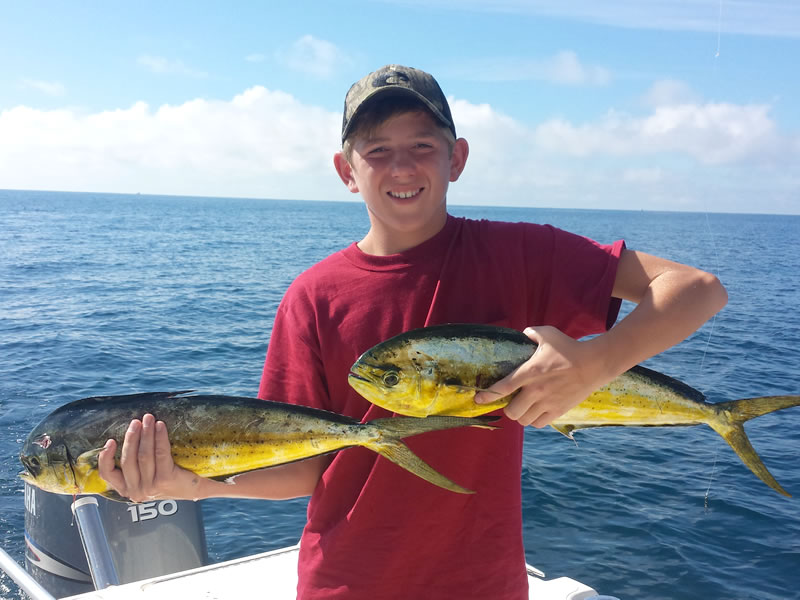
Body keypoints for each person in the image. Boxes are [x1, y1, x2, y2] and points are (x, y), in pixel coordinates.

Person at [98, 64, 728, 599]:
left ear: (457, 158)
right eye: (376, 150)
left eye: (423, 145)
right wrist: (192, 484)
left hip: (486, 582)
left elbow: (697, 290)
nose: (401, 166)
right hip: (344, 583)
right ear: (347, 170)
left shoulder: (525, 256)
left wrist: (595, 363)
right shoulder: (313, 298)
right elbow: (302, 470)